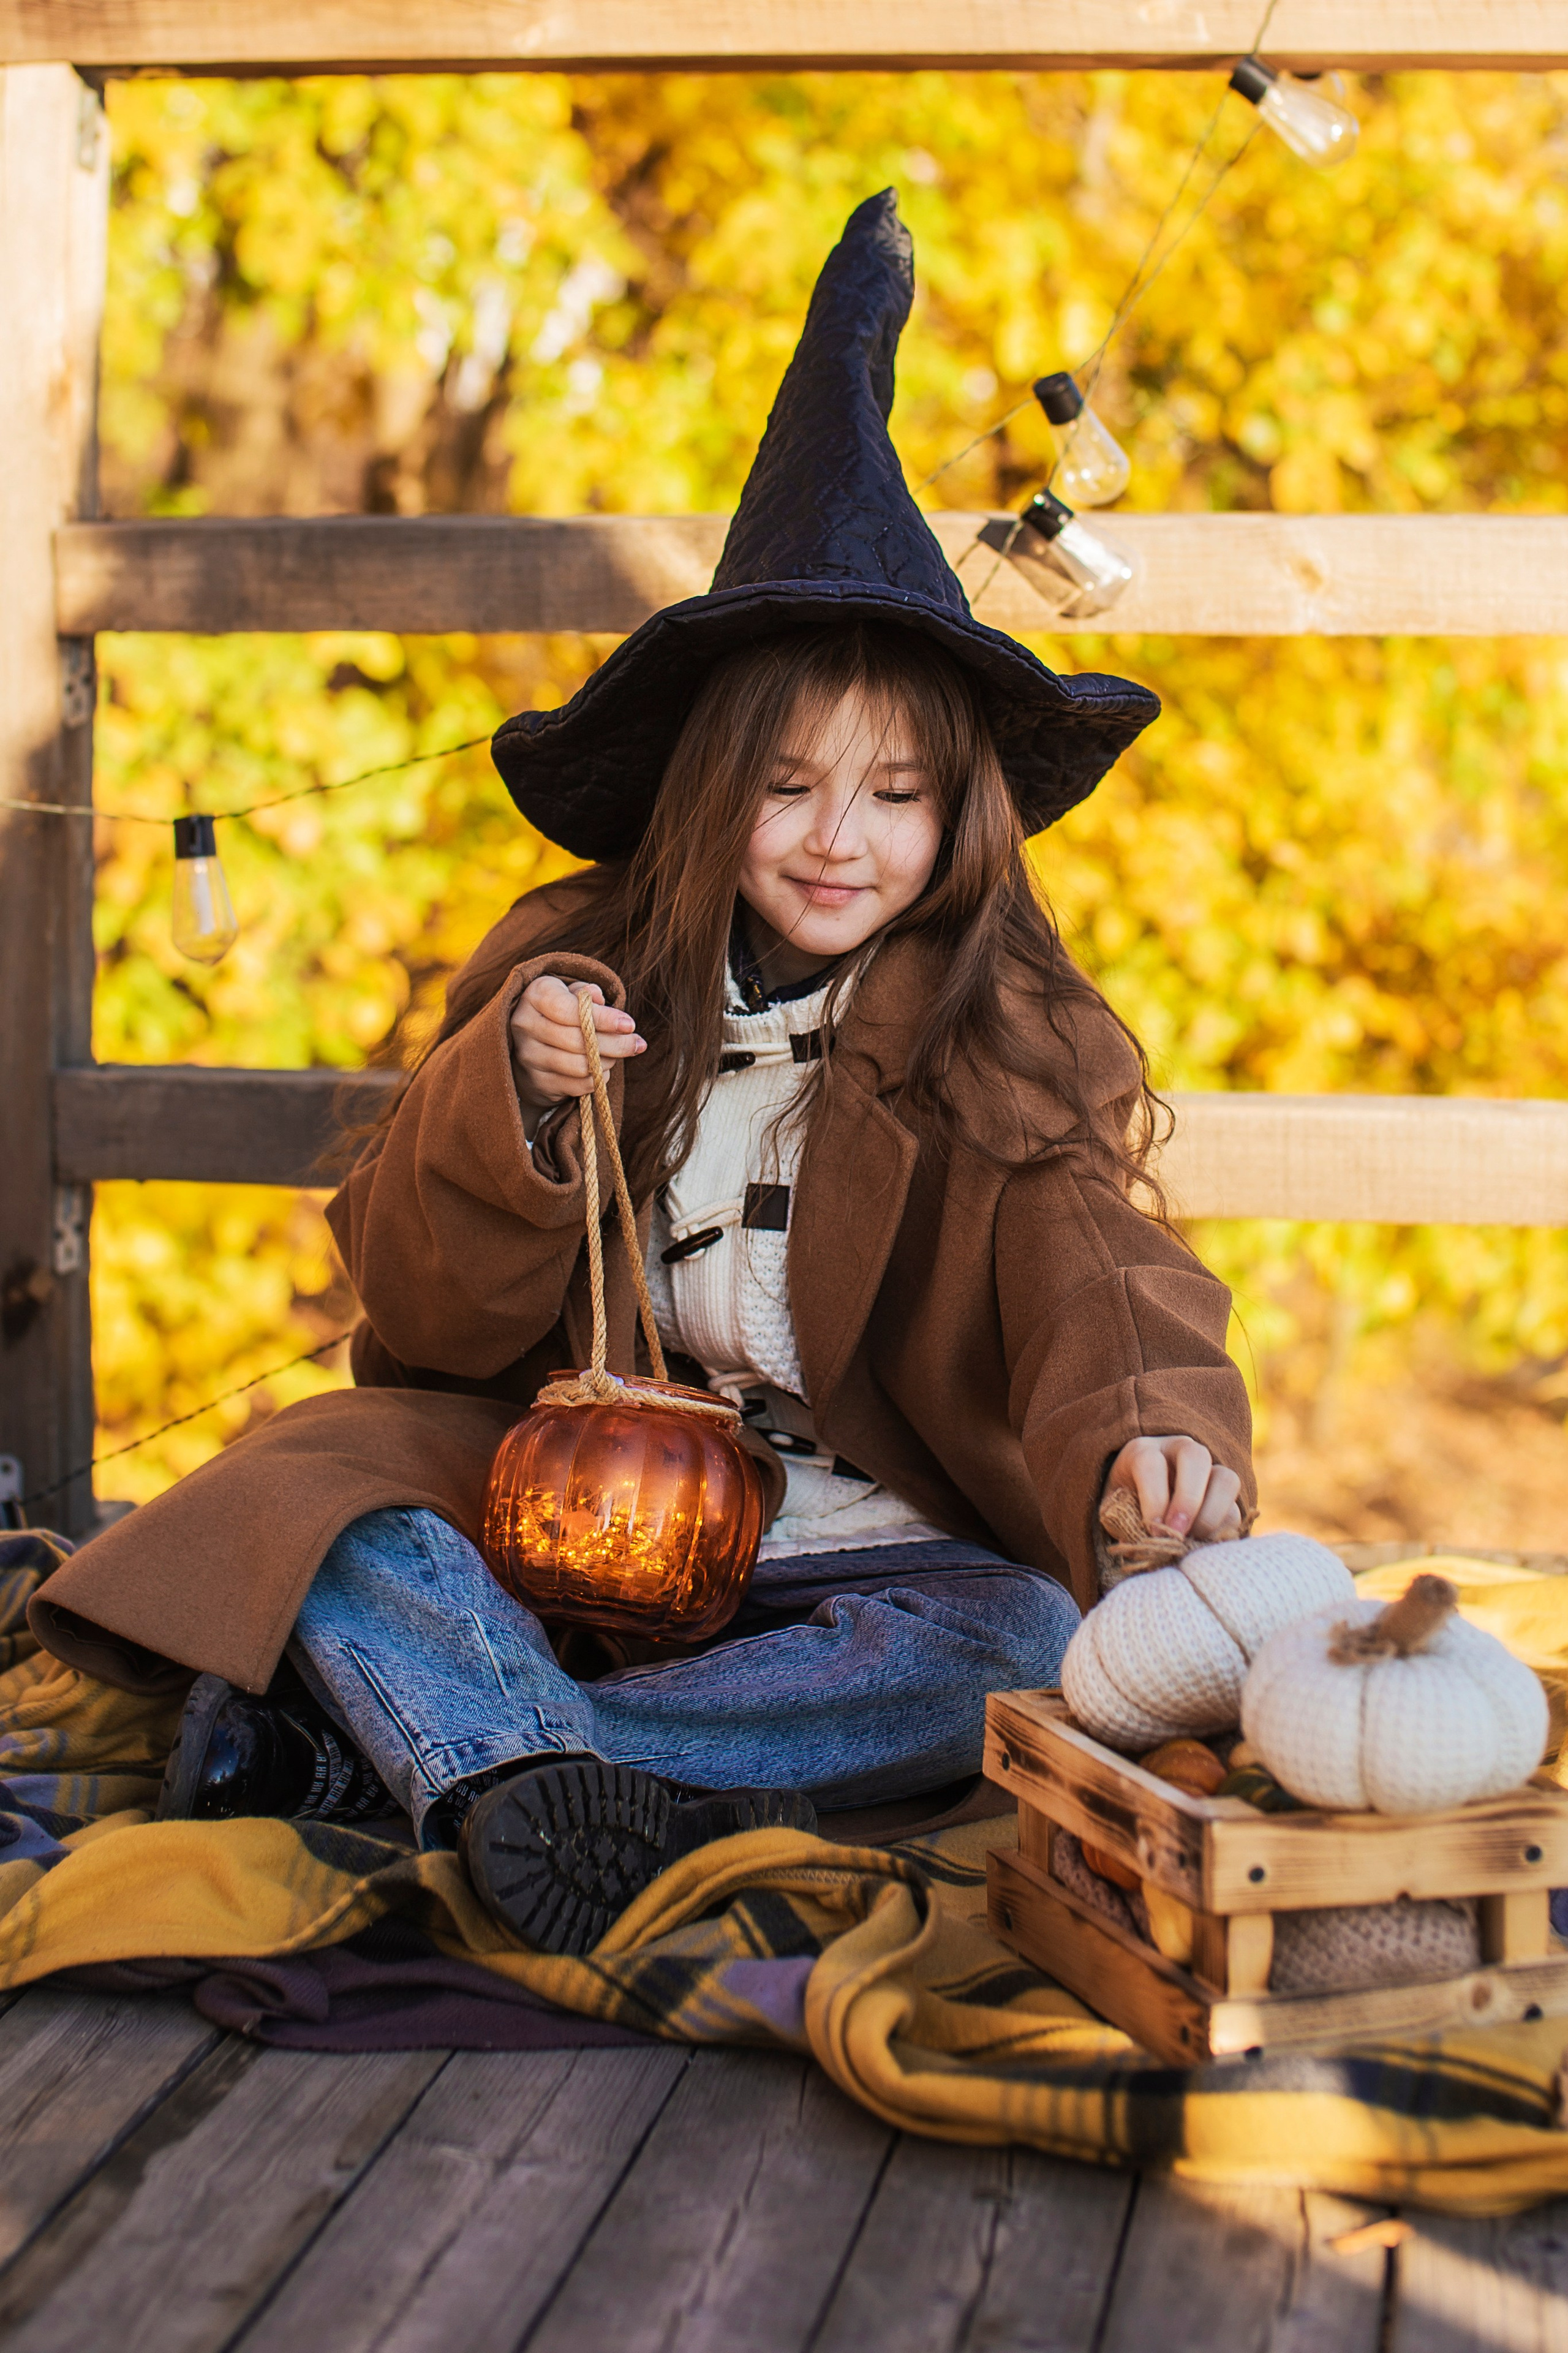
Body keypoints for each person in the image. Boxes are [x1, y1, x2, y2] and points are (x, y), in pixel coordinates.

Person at [39, 192, 1254, 1957]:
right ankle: (562, 1762)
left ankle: (517, 1775)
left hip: (854, 1547)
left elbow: (1105, 1274)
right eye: (789, 787)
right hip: (572, 1529)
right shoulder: (577, 959)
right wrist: (515, 1099)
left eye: (896, 791)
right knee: (323, 1504)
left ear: (961, 809)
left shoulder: (1006, 1027)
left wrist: (1158, 1434)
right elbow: (414, 1308)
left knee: (1015, 1641)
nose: (842, 839)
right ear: (710, 788)